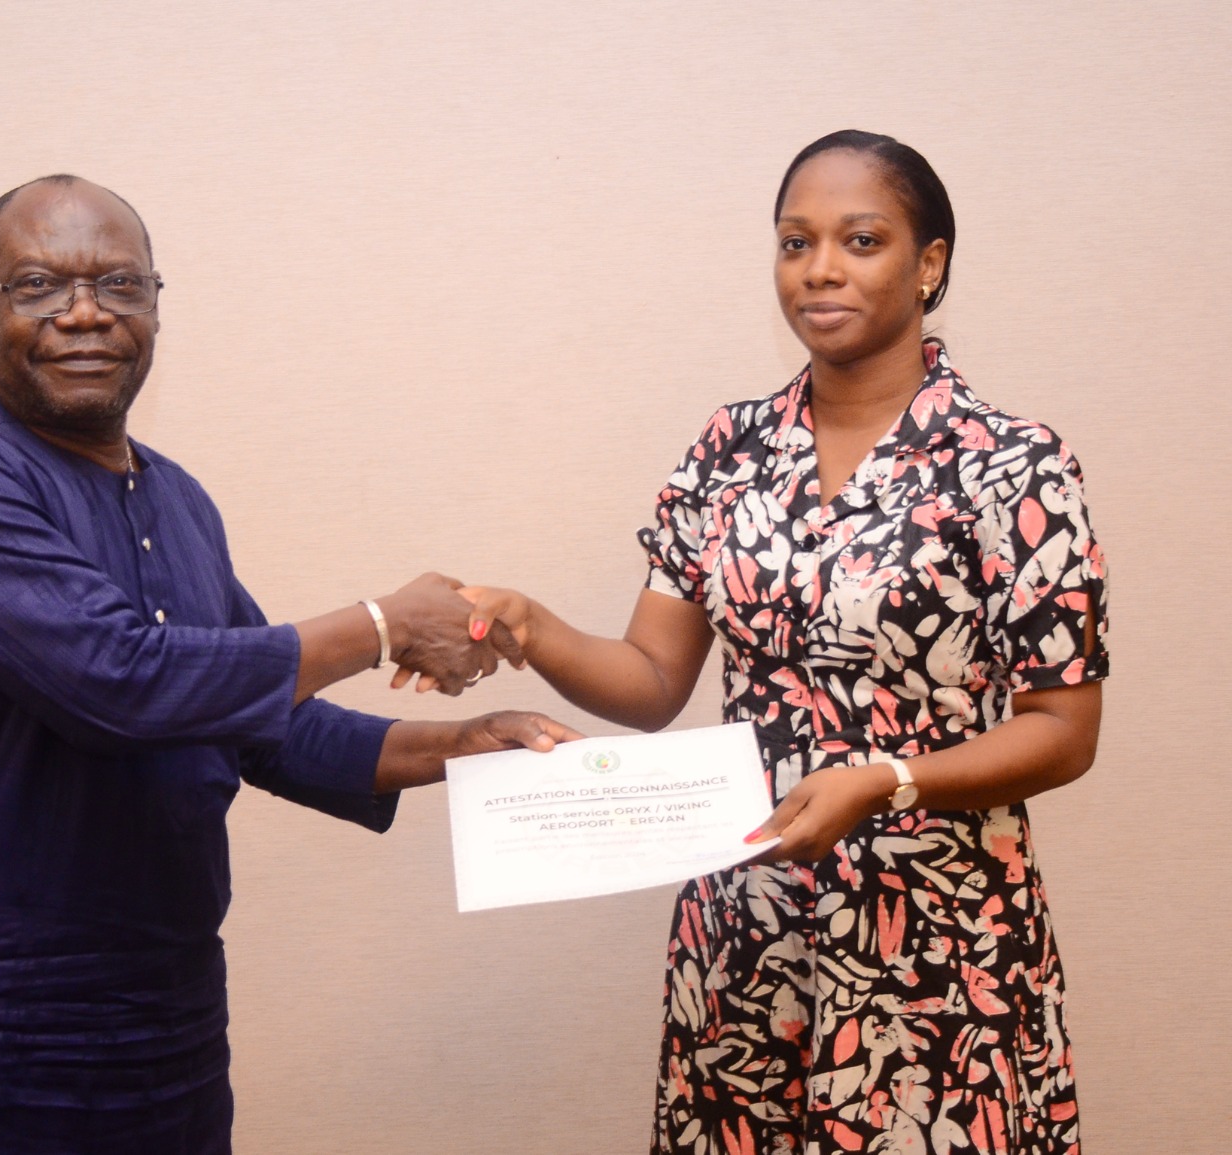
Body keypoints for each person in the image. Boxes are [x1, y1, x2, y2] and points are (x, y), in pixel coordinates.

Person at [0, 173, 572, 1154]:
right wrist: (384, 625)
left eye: (119, 285)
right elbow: (116, 680)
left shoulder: (178, 501)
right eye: (40, 285)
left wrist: (462, 745)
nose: (85, 313)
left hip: (162, 1026)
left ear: (156, 306)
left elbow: (259, 720)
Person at [456, 131, 1108, 1153]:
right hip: (746, 927)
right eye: (795, 242)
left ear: (928, 263)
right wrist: (531, 626)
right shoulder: (729, 450)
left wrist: (886, 781)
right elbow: (651, 678)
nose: (820, 269)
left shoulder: (1014, 465)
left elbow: (1064, 730)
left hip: (935, 940)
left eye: (861, 240)